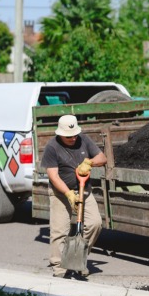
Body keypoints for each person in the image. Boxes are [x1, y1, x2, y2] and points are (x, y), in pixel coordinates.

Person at [41, 114, 107, 279]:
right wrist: (68, 193)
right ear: (60, 134)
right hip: (60, 193)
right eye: (68, 136)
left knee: (95, 224)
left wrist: (89, 162)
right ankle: (59, 267)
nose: (72, 138)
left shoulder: (84, 139)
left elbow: (102, 157)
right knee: (59, 230)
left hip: (84, 190)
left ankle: (77, 258)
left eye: (74, 135)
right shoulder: (52, 147)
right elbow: (53, 176)